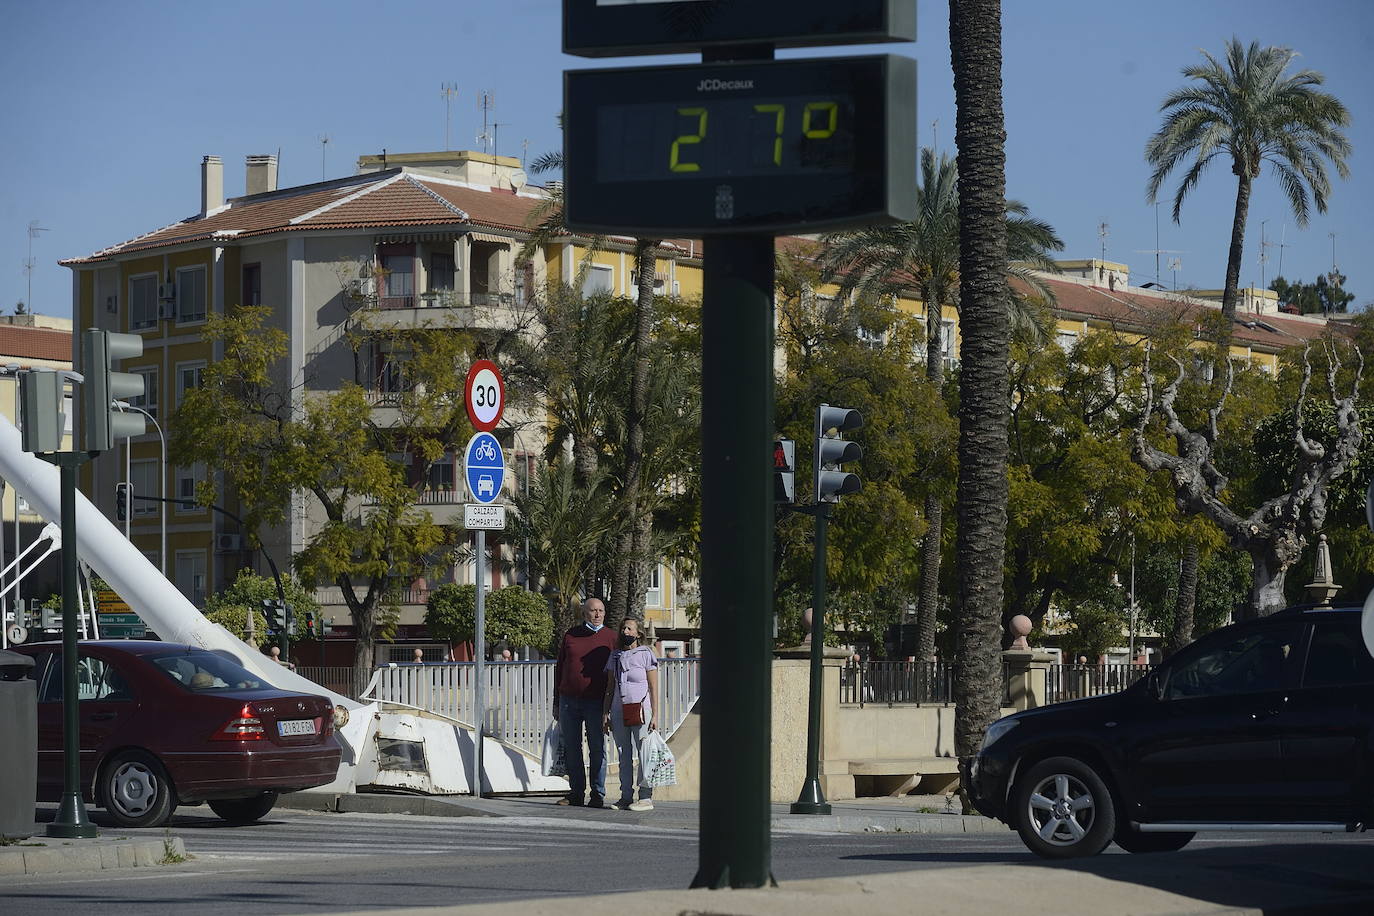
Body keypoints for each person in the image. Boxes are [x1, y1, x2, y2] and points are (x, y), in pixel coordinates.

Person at [552, 598, 617, 807]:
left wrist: (611, 706)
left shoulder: (611, 637)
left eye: (601, 610)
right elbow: (560, 667)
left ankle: (597, 794)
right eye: (593, 610)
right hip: (568, 700)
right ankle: (576, 793)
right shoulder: (571, 635)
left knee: (597, 748)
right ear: (584, 613)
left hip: (597, 702)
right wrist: (556, 701)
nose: (597, 614)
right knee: (572, 748)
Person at [603, 616, 660, 812]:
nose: (625, 632)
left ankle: (645, 796)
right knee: (623, 753)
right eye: (623, 629)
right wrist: (606, 712)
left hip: (641, 710)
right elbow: (610, 687)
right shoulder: (615, 656)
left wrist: (655, 715)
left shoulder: (646, 654)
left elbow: (653, 687)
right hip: (619, 709)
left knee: (644, 753)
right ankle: (625, 795)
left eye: (629, 628)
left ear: (638, 633)